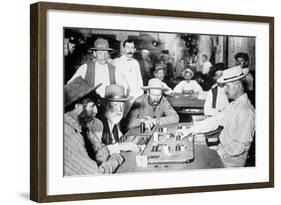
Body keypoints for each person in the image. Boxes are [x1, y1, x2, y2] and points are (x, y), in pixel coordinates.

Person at [178, 66, 255, 167]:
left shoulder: (245, 110)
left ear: (238, 85)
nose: (225, 89)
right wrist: (190, 130)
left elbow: (239, 147)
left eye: (227, 86)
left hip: (231, 161)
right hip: (222, 151)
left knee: (194, 166)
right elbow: (215, 120)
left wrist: (217, 153)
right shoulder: (234, 105)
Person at [64, 77, 124, 176]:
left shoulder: (82, 128)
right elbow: (96, 175)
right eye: (92, 106)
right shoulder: (67, 133)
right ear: (78, 107)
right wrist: (116, 159)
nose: (96, 111)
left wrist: (108, 161)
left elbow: (103, 152)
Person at [98, 84, 140, 154]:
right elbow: (98, 152)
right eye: (115, 105)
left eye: (122, 105)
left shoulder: (114, 121)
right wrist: (119, 147)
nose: (120, 110)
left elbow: (120, 140)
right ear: (106, 105)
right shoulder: (97, 124)